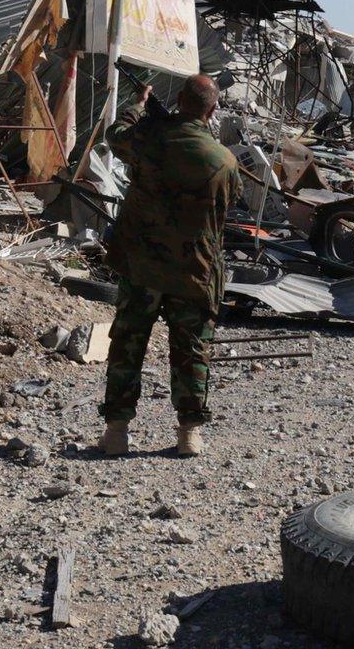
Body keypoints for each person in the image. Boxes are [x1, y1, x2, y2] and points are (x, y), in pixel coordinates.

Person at [96, 74, 239, 457]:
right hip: (193, 269)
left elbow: (116, 134)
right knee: (192, 349)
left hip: (142, 264)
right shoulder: (223, 160)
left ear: (179, 100)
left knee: (128, 342)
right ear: (212, 110)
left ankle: (116, 432)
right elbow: (226, 208)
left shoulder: (148, 139)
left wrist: (138, 105)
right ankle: (189, 433)